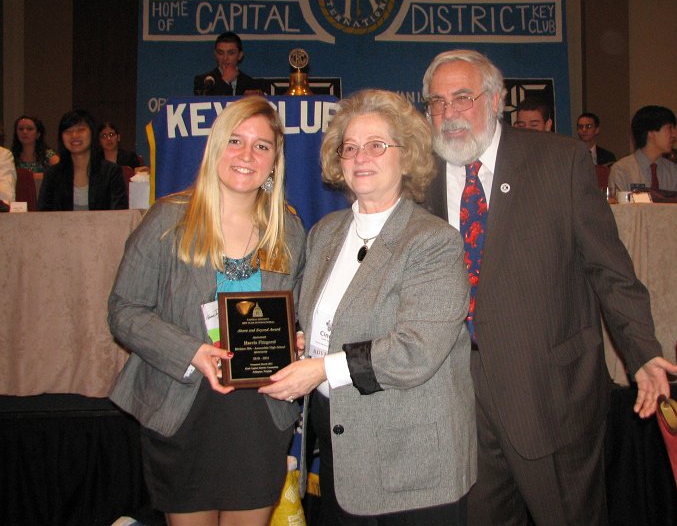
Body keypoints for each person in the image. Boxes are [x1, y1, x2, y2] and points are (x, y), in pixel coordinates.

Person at [421, 49, 677, 526]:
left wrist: (641, 351)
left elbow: (610, 269)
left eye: (462, 97)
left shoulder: (560, 161)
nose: (448, 114)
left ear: (496, 100)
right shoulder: (420, 178)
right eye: (436, 102)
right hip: (459, 401)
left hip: (551, 395)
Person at [260, 89, 475, 525]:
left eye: (377, 145)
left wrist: (320, 369)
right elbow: (324, 321)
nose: (361, 157)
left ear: (406, 155)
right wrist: (304, 342)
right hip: (342, 447)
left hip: (413, 463)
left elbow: (415, 352)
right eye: (350, 147)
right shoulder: (325, 233)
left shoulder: (433, 241)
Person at [108, 96, 306, 526]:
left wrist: (296, 335)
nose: (247, 155)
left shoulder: (288, 230)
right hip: (183, 405)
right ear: (216, 147)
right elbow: (124, 311)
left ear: (275, 162)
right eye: (235, 140)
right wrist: (191, 351)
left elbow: (296, 314)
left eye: (262, 146)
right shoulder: (168, 220)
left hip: (260, 412)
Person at [38, 109, 128, 211]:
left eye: (81, 129)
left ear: (92, 133)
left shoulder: (111, 172)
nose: (74, 135)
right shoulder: (52, 174)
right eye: (68, 131)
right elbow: (43, 214)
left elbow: (119, 213)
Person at [609, 105, 677, 198]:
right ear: (650, 133)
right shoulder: (622, 170)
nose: (674, 134)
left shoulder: (675, 172)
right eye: (669, 128)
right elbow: (620, 210)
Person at [193, 31, 264, 96]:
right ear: (215, 54)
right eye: (220, 53)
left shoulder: (251, 84)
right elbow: (204, 105)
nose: (225, 58)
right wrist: (225, 81)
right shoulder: (204, 81)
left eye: (231, 53)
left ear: (240, 55)